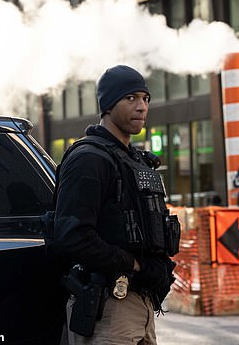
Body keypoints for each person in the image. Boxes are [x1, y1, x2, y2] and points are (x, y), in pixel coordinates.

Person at [53, 65, 178, 345]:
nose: (141, 106)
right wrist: (133, 264)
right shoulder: (89, 158)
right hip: (108, 306)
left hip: (140, 304)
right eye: (131, 98)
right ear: (108, 105)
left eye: (145, 99)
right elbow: (72, 236)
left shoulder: (134, 160)